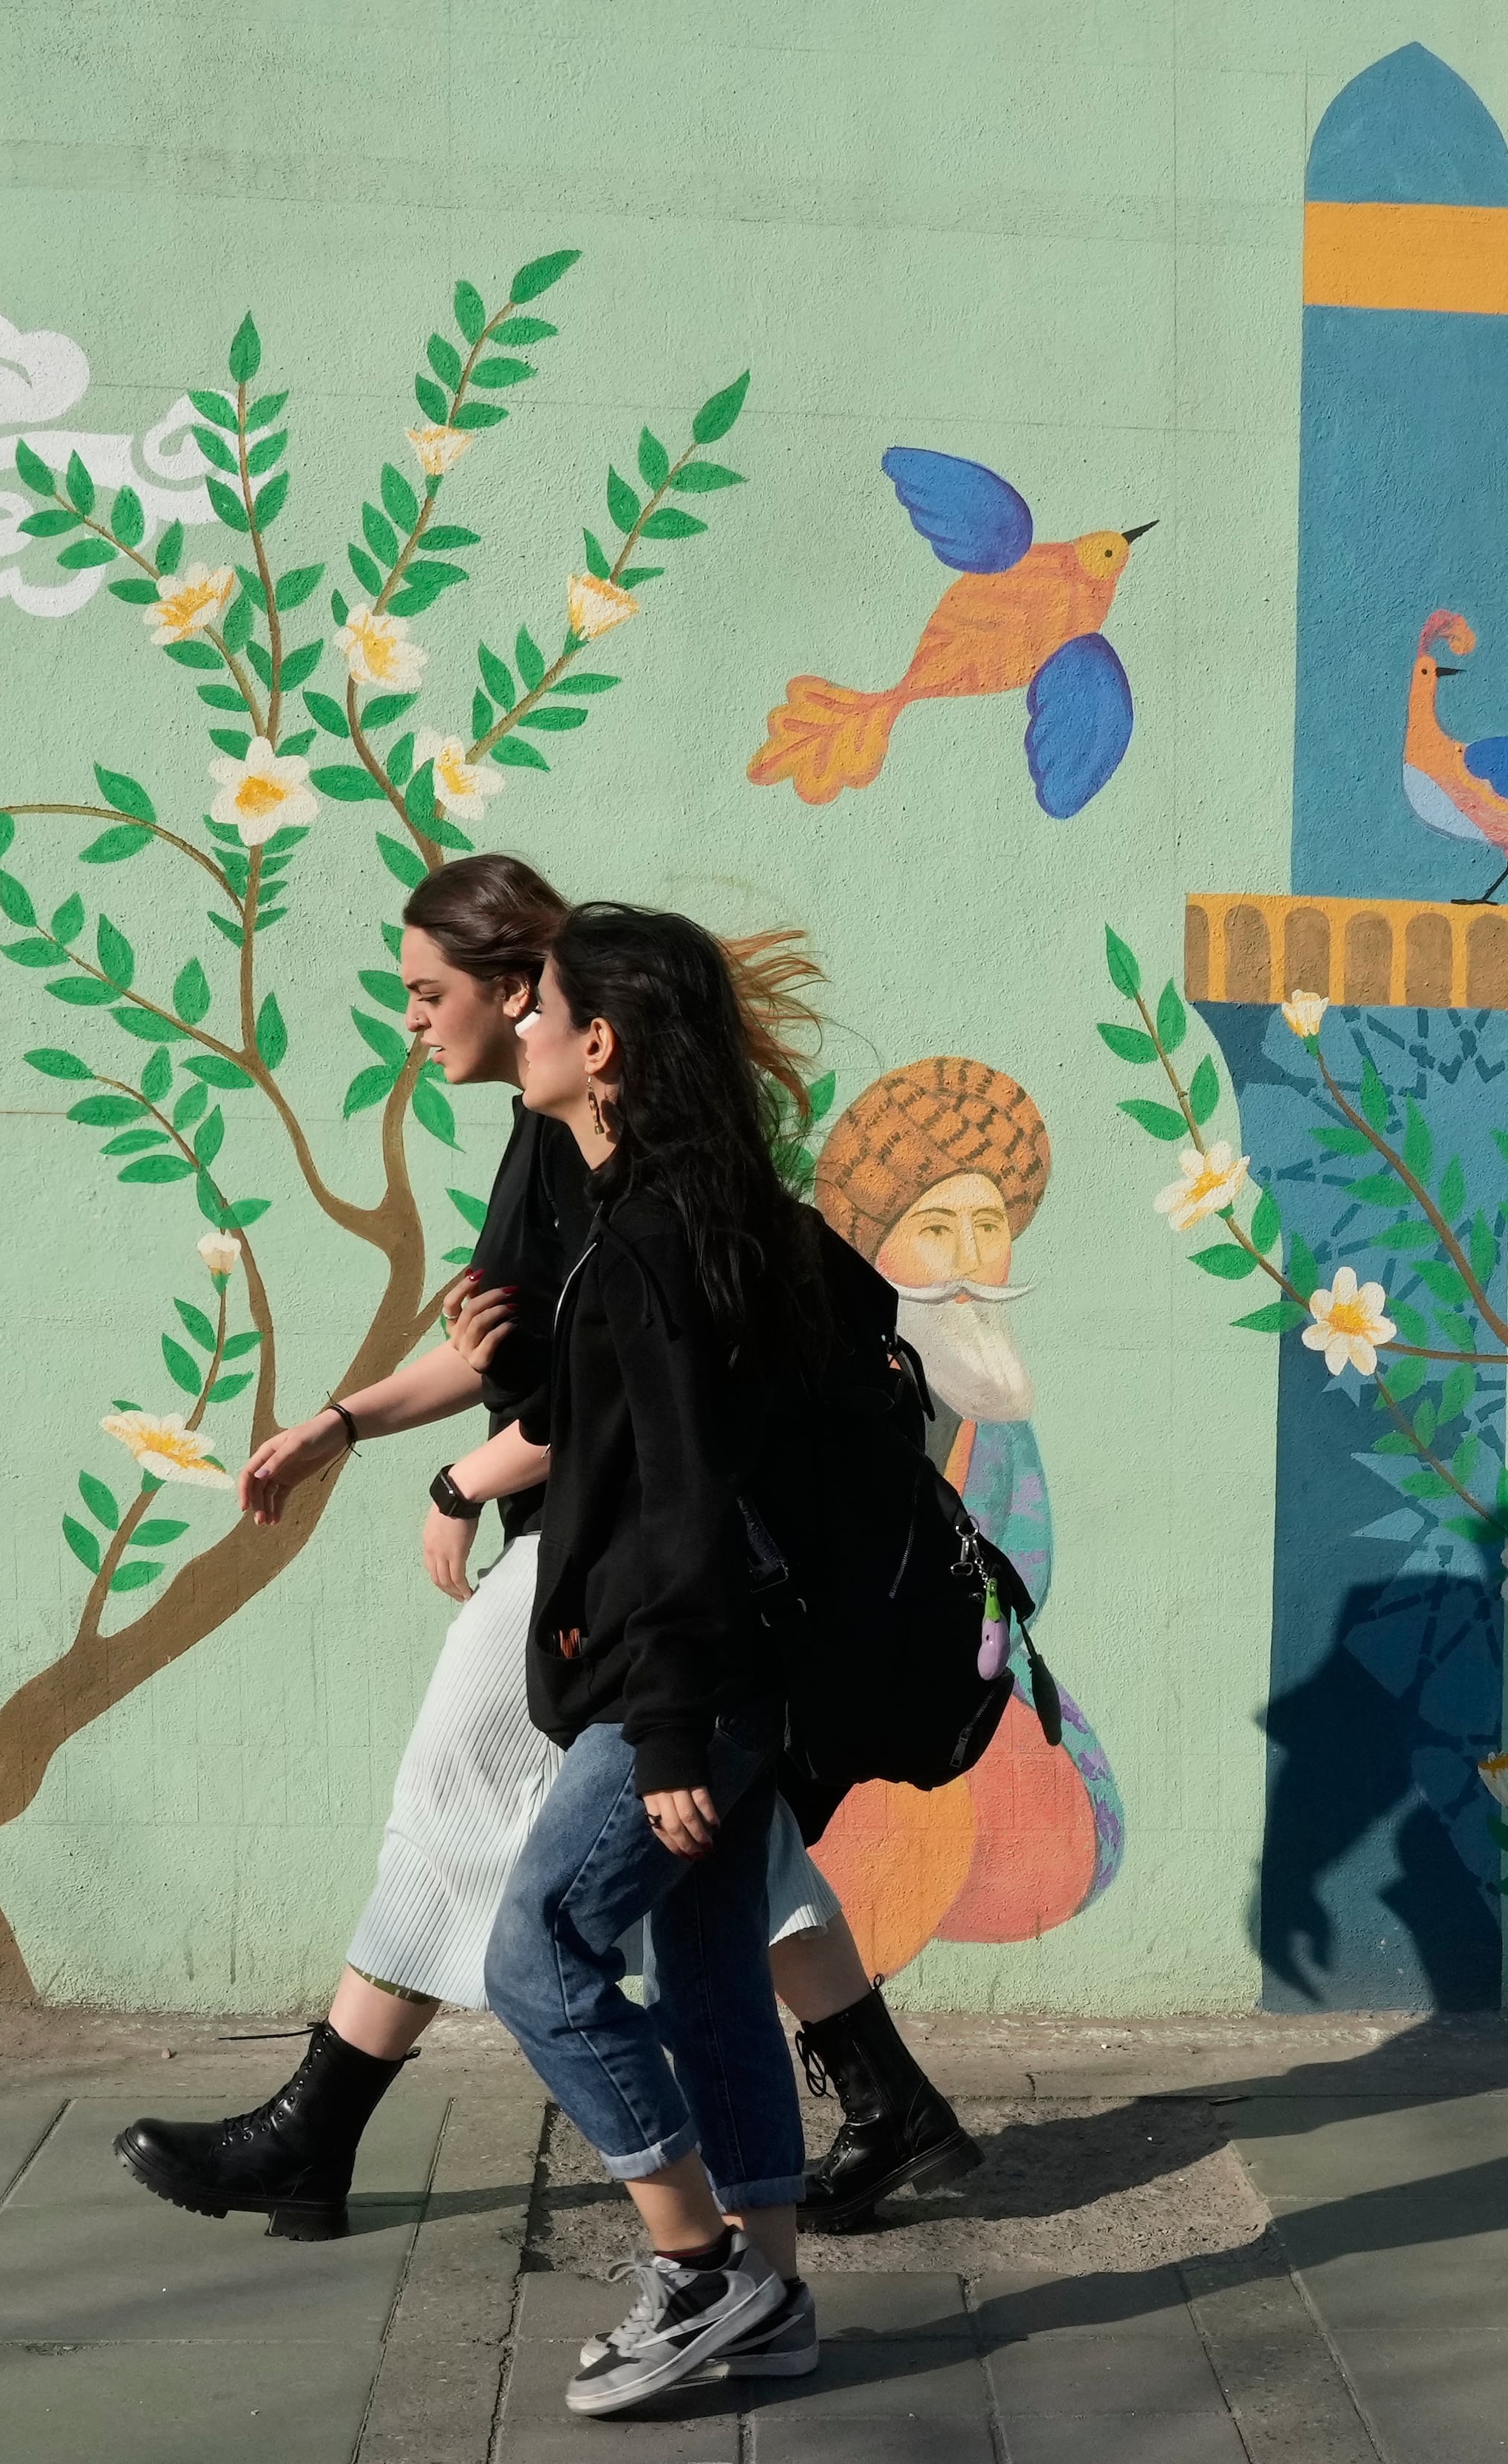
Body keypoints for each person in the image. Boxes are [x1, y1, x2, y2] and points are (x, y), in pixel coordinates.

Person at [112, 858, 970, 2253]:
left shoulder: (621, 1176)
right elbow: (528, 1353)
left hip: (631, 1564)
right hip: (622, 1563)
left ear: (535, 1001)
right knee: (697, 1850)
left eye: (428, 991)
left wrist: (465, 1475)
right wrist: (344, 1424)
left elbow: (636, 1415)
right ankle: (848, 2135)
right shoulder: (557, 1139)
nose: (413, 1019)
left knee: (521, 1863)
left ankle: (674, 2239)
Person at [483, 901, 894, 2415]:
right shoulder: (714, 1219)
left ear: (599, 1045)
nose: (515, 1024)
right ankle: (772, 2298)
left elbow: (682, 1498)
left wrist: (664, 1730)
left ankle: (701, 2263)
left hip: (685, 1684)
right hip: (737, 1672)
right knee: (714, 1972)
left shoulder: (650, 1238)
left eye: (535, 1004)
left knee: (538, 1954)